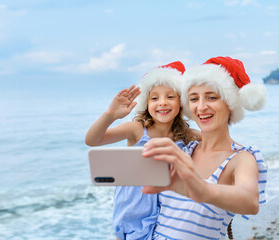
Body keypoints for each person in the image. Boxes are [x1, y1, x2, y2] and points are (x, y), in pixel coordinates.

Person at [142, 56, 268, 240]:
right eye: (193, 99)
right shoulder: (183, 149)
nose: (201, 107)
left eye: (211, 97)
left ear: (230, 104)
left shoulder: (241, 158)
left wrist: (203, 189)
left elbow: (249, 200)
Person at [85, 61, 199, 240]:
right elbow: (92, 140)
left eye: (170, 97)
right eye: (154, 98)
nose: (162, 103)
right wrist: (110, 115)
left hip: (168, 213)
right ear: (146, 103)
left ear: (181, 102)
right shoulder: (136, 130)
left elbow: (216, 144)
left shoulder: (187, 135)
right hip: (133, 211)